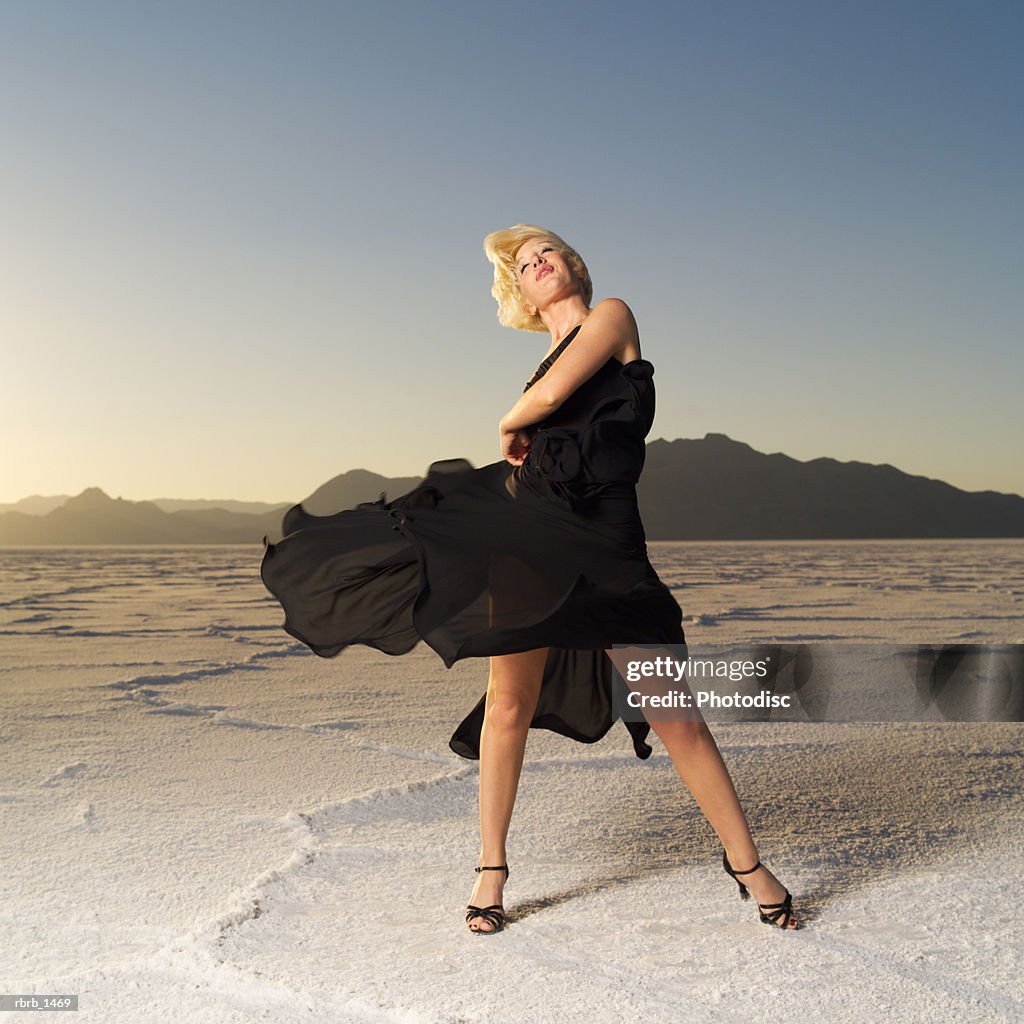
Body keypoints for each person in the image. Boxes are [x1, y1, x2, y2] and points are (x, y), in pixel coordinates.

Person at [260, 224, 800, 934]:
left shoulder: (610, 317)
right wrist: (518, 427)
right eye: (524, 264)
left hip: (608, 547)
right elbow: (537, 419)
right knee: (506, 705)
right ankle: (491, 869)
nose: (540, 263)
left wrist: (511, 420)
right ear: (519, 290)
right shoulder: (542, 361)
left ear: (571, 265)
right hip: (528, 540)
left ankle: (747, 865)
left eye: (548, 252)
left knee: (674, 715)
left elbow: (543, 408)